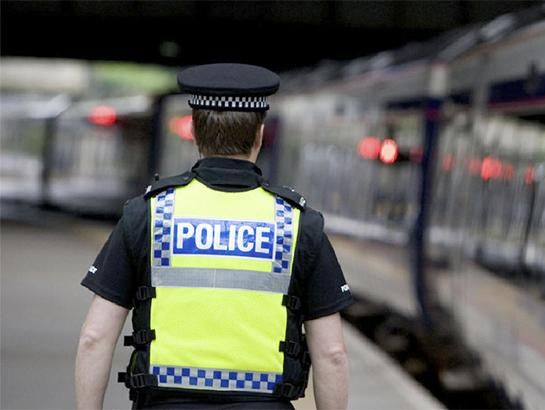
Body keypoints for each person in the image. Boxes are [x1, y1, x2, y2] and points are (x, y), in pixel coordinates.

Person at [75, 63, 354, 410]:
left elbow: (94, 338)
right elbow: (332, 354)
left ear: (193, 131)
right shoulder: (297, 223)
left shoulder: (149, 214)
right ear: (260, 135)